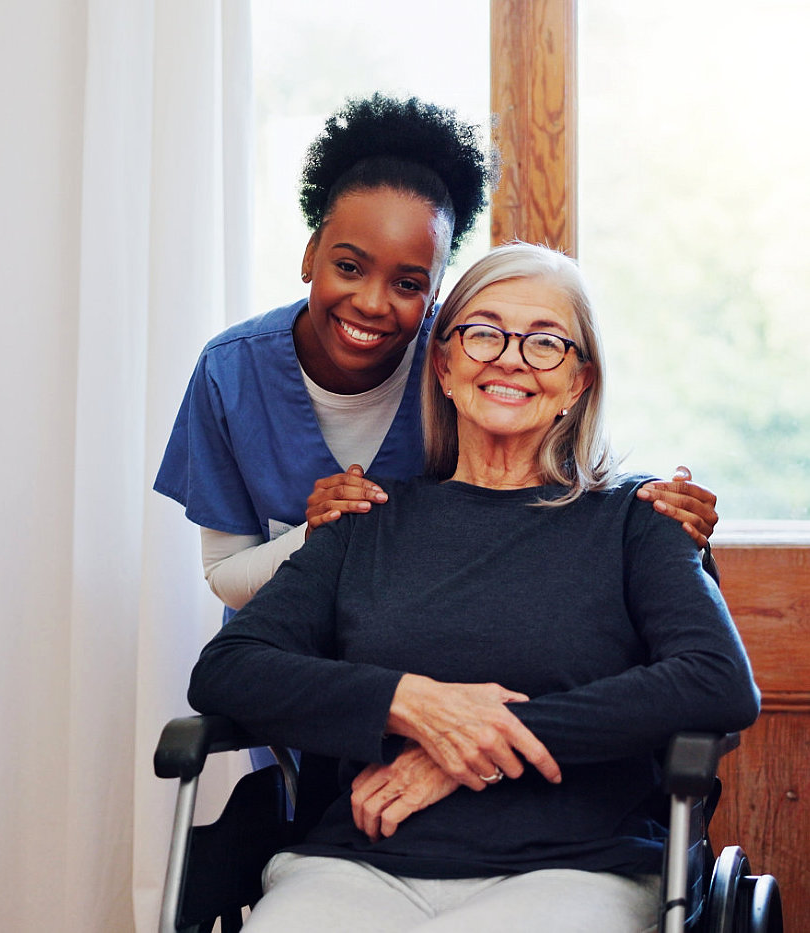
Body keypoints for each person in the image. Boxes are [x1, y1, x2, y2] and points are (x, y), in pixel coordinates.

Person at [187, 243, 760, 932]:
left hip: (573, 867)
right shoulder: (364, 519)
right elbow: (228, 670)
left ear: (578, 381)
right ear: (445, 361)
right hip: (358, 867)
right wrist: (411, 703)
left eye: (546, 341)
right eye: (484, 332)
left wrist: (474, 744)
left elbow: (715, 680)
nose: (510, 357)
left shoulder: (638, 520)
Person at [153, 94, 719, 626]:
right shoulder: (230, 373)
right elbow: (225, 575)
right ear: (309, 255)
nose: (372, 303)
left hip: (437, 670)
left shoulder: (473, 360)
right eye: (348, 267)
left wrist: (657, 516)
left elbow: (552, 490)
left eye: (408, 283)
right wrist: (318, 533)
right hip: (291, 678)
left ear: (438, 295)